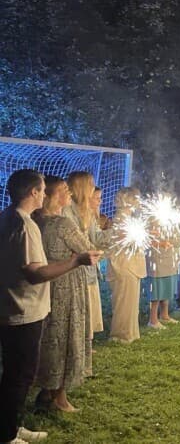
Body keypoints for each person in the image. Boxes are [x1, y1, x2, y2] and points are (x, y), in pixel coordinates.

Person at [0, 169, 101, 444]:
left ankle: (12, 426)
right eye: (43, 190)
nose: (44, 194)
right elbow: (35, 273)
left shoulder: (7, 217)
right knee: (19, 376)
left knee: (16, 374)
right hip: (23, 309)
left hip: (12, 305)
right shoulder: (25, 225)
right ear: (33, 192)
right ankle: (7, 434)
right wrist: (76, 260)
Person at [32, 176, 96, 413]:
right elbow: (88, 251)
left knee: (48, 337)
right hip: (66, 285)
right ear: (51, 195)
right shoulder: (62, 224)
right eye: (63, 191)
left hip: (43, 284)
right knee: (65, 336)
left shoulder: (33, 220)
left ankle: (46, 390)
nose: (68, 193)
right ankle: (59, 395)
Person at [64, 172, 109, 341]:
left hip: (88, 269)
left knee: (88, 309)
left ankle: (86, 344)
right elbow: (80, 242)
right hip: (74, 269)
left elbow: (97, 237)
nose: (92, 188)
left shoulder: (87, 212)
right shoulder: (67, 211)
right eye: (90, 185)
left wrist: (119, 233)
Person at [107, 188, 146, 343]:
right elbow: (127, 241)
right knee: (124, 302)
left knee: (130, 302)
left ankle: (130, 332)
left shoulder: (128, 218)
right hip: (124, 265)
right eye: (137, 198)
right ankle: (120, 334)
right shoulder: (121, 218)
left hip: (131, 265)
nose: (139, 202)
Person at [145, 236, 180, 329]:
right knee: (157, 288)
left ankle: (164, 315)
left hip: (168, 256)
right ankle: (153, 320)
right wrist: (160, 243)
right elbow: (146, 239)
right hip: (156, 257)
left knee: (166, 285)